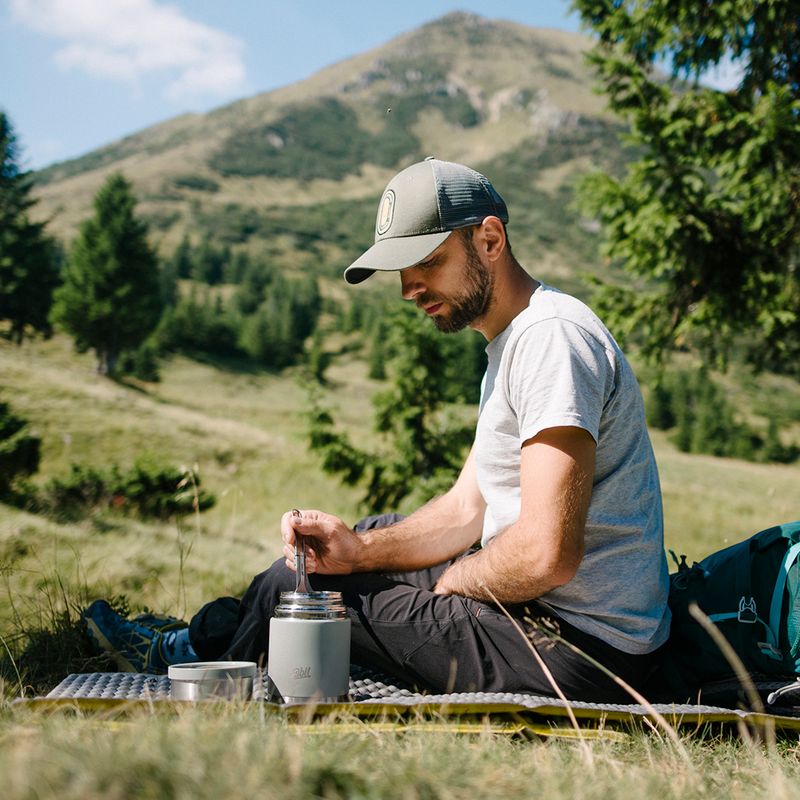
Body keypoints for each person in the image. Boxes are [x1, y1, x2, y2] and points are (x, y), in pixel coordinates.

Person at [85, 158, 671, 701]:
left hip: (578, 652)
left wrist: (455, 584)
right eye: (401, 270)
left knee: (304, 595)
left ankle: (194, 668)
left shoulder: (551, 340)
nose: (409, 290)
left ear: (489, 240)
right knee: (333, 558)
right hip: (545, 621)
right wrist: (360, 551)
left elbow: (546, 555)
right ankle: (202, 642)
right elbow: (469, 507)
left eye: (429, 263)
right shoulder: (514, 340)